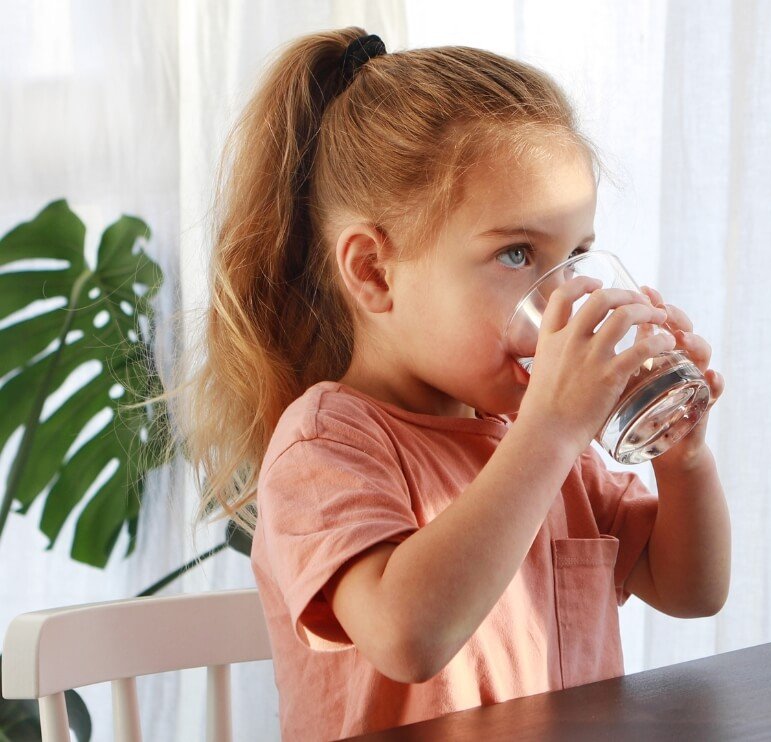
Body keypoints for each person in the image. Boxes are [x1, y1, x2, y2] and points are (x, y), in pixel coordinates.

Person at [176, 27, 730, 741]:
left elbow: (691, 590)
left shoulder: (539, 437)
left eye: (579, 256)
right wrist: (549, 435)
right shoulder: (327, 444)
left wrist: (683, 463)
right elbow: (408, 637)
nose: (565, 298)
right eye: (518, 253)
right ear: (375, 272)